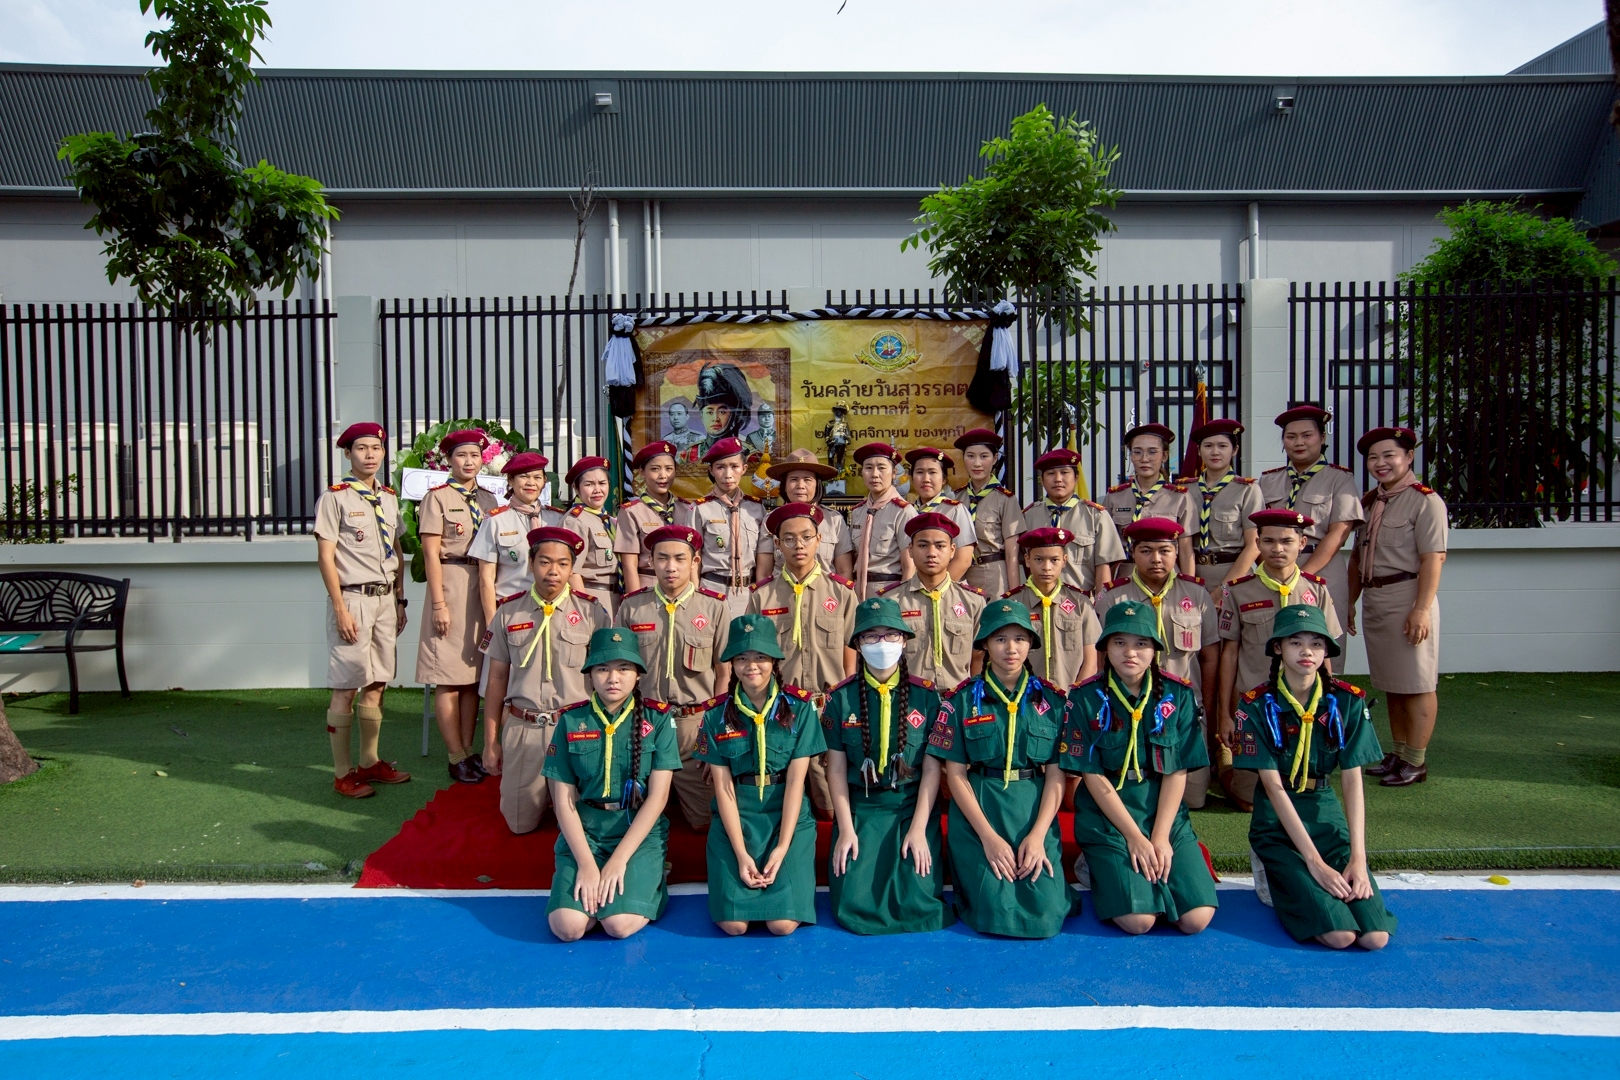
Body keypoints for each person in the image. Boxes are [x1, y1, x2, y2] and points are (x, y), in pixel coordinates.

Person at [1232, 604, 1395, 950]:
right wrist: (1315, 863)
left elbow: (1352, 781)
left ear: (1325, 652)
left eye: (1316, 643)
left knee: (1375, 937)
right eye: (1296, 642)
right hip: (1277, 823)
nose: (1307, 651)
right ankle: (1273, 870)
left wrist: (1358, 859)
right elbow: (1273, 787)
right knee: (1340, 936)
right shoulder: (1256, 704)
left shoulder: (1346, 702)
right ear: (1278, 648)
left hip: (1326, 817)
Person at [1060, 602, 1217, 935]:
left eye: (1141, 643)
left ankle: (1145, 869)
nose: (1130, 652)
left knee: (1195, 919)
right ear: (1105, 647)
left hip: (1161, 809)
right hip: (1109, 813)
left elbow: (1177, 770)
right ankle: (1098, 863)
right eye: (1119, 642)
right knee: (1138, 921)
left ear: (1155, 649)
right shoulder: (1085, 698)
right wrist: (1134, 837)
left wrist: (1159, 837)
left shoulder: (1178, 694)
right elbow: (1092, 775)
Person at [926, 600, 1073, 938]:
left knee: (1047, 914)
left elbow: (1055, 775)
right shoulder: (962, 700)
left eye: (1020, 639)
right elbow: (956, 775)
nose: (1011, 648)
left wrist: (1037, 836)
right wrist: (989, 838)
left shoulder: (1052, 701)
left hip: (1032, 811)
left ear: (1031, 644)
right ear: (985, 645)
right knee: (992, 911)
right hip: (980, 811)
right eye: (1000, 639)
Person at [823, 597, 953, 935]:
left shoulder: (926, 696)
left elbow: (932, 769)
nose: (882, 643)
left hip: (910, 807)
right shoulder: (841, 698)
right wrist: (846, 829)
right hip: (862, 808)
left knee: (918, 903)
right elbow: (835, 770)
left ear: (904, 640)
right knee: (854, 904)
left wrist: (919, 829)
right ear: (858, 644)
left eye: (891, 635)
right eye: (871, 636)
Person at [543, 626, 680, 942]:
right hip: (587, 833)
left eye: (623, 668)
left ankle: (653, 880)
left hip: (637, 832)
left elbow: (658, 798)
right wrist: (587, 865)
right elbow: (563, 801)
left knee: (617, 925)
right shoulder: (570, 721)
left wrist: (618, 861)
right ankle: (600, 890)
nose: (613, 678)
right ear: (590, 674)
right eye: (602, 669)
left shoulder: (658, 720)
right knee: (568, 928)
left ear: (638, 674)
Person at [695, 616, 826, 936]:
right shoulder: (715, 715)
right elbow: (723, 789)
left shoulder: (800, 708)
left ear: (774, 662)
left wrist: (782, 846)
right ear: (731, 663)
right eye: (741, 658)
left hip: (787, 817)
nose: (751, 666)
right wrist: (741, 854)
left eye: (760, 657)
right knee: (733, 926)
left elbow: (796, 782)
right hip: (738, 816)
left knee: (782, 925)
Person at [481, 526, 610, 833]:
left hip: (577, 729)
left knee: (585, 826)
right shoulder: (508, 612)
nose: (553, 571)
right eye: (545, 562)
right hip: (525, 728)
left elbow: (609, 681)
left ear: (572, 568)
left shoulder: (592, 612)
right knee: (518, 824)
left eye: (563, 564)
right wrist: (490, 742)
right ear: (530, 563)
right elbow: (496, 679)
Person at [1215, 509, 1342, 811]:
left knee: (1304, 790)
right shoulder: (1239, 590)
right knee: (1249, 802)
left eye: (1286, 541)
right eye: (1269, 541)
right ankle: (1223, 768)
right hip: (1255, 705)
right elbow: (1229, 654)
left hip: (1304, 704)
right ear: (1257, 543)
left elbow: (1326, 653)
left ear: (1302, 543)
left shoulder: (1316, 590)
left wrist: (1331, 701)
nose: (1277, 549)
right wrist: (1225, 714)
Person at [313, 422, 411, 799]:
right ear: (348, 454)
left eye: (376, 448)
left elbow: (396, 550)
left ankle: (370, 762)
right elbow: (325, 557)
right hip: (352, 598)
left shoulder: (388, 497)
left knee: (378, 682)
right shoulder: (334, 498)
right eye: (361, 449)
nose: (370, 455)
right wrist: (340, 608)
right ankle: (343, 773)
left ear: (384, 452)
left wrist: (400, 599)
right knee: (346, 686)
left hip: (385, 599)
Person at [1095, 518, 1219, 808]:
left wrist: (1209, 710)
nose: (1156, 559)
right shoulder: (1114, 596)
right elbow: (1101, 658)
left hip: (1184, 711)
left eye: (1164, 551)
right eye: (1146, 551)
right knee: (1133, 795)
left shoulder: (1196, 594)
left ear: (1176, 552)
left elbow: (1210, 656)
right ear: (1133, 553)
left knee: (1193, 799)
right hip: (1129, 709)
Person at [1348, 426, 1448, 788]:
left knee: (1417, 682)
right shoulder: (1371, 502)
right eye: (1373, 457)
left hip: (1408, 595)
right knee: (1393, 682)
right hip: (1376, 597)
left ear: (1408, 457)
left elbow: (1434, 558)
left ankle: (1416, 761)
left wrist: (1421, 609)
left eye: (1389, 455)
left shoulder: (1425, 501)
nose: (1381, 463)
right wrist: (1350, 602)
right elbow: (1356, 558)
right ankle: (1400, 752)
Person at [746, 500, 858, 817]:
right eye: (790, 538)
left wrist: (844, 701)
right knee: (778, 797)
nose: (799, 545)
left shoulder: (841, 592)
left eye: (807, 537)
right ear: (777, 544)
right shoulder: (762, 595)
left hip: (826, 706)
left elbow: (850, 653)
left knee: (830, 804)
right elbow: (753, 656)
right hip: (781, 707)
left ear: (819, 540)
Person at [616, 524, 731, 830]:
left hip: (694, 725)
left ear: (695, 562)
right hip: (644, 722)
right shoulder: (632, 606)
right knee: (631, 816)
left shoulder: (714, 607)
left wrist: (714, 729)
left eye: (680, 559)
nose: (671, 567)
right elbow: (619, 670)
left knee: (705, 821)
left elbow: (724, 673)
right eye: (662, 558)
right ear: (650, 561)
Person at [417, 428, 500, 784]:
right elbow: (430, 555)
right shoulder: (437, 498)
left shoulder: (489, 500)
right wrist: (439, 604)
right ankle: (454, 755)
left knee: (470, 677)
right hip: (451, 584)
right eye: (461, 455)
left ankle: (468, 751)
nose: (469, 462)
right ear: (449, 460)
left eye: (475, 455)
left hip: (482, 587)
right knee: (448, 678)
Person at [1259, 405, 1364, 654]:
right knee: (1274, 642)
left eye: (1307, 435)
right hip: (1274, 569)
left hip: (1321, 570)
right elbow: (1256, 531)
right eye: (1291, 436)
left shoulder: (1339, 479)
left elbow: (1339, 533)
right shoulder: (1268, 480)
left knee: (1320, 644)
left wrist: (1302, 576)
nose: (1299, 442)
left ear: (1322, 437)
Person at [880, 512, 986, 692]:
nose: (931, 553)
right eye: (923, 545)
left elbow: (978, 657)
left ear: (952, 550)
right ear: (910, 550)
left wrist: (974, 697)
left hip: (959, 698)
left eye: (940, 546)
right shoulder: (891, 601)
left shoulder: (973, 601)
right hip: (909, 699)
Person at [1003, 527, 1099, 692]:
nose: (1046, 567)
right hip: (1025, 697)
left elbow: (1091, 661)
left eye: (1054, 560)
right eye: (1039, 559)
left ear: (1064, 560)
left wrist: (1075, 696)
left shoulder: (1080, 603)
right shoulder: (1013, 604)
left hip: (1069, 696)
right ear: (1027, 560)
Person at [680, 436, 765, 618]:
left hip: (749, 592)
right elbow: (693, 557)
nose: (728, 474)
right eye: (720, 467)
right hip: (712, 590)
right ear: (711, 470)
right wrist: (695, 595)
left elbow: (763, 556)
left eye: (734, 466)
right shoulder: (700, 509)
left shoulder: (756, 508)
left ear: (744, 468)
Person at [1020, 447, 1124, 595]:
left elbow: (1104, 566)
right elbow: (1022, 565)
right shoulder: (1028, 516)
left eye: (1064, 472)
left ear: (1076, 478)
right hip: (1039, 600)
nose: (1058, 479)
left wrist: (1101, 603)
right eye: (1050, 473)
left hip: (1081, 601)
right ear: (1042, 480)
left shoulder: (1096, 516)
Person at [1102, 423, 1197, 577]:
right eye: (1137, 452)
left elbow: (1186, 551)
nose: (1144, 459)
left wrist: (1189, 586)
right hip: (1126, 576)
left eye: (1152, 452)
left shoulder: (1179, 497)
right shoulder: (1115, 497)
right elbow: (1105, 548)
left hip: (1166, 577)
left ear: (1164, 456)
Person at [1184, 418, 1262, 594]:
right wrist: (1188, 586)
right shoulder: (1186, 490)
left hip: (1234, 577)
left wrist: (1222, 591)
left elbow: (1254, 545)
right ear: (1199, 450)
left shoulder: (1247, 490)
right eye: (1208, 446)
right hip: (1193, 577)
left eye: (1222, 446)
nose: (1215, 452)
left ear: (1234, 450)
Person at [756, 447, 854, 580]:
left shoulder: (834, 520)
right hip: (781, 592)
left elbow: (844, 571)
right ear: (784, 485)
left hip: (824, 592)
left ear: (817, 485)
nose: (800, 485)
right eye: (793, 479)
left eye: (807, 479)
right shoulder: (772, 520)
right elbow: (764, 573)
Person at [954, 428, 1024, 598]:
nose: (977, 463)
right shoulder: (956, 498)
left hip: (994, 575)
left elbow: (1012, 554)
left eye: (984, 456)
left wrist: (1014, 595)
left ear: (995, 458)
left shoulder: (1006, 499)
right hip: (960, 576)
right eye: (970, 456)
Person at [847, 441, 918, 599]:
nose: (874, 474)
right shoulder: (858, 511)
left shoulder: (903, 511)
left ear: (894, 473)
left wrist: (904, 602)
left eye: (881, 468)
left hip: (889, 592)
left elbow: (910, 566)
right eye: (868, 468)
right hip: (857, 592)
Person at [559, 455, 620, 619]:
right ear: (576, 488)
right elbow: (571, 572)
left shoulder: (610, 521)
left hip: (617, 599)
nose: (597, 490)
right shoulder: (575, 520)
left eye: (602, 483)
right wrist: (586, 608)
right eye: (589, 484)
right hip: (593, 597)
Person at [615, 441, 680, 596]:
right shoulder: (631, 512)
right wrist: (636, 599)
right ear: (642, 472)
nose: (663, 475)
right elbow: (629, 564)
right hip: (649, 587)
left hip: (682, 588)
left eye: (669, 469)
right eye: (655, 469)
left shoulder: (686, 509)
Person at [904, 446, 977, 581]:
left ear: (943, 479)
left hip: (945, 589)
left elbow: (963, 560)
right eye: (919, 472)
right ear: (912, 478)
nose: (926, 479)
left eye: (932, 472)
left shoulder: (955, 510)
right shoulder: (907, 511)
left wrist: (936, 588)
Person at [693, 361, 754, 458]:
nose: (715, 418)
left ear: (733, 414)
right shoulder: (689, 455)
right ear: (701, 415)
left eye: (722, 412)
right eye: (709, 412)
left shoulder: (749, 455)